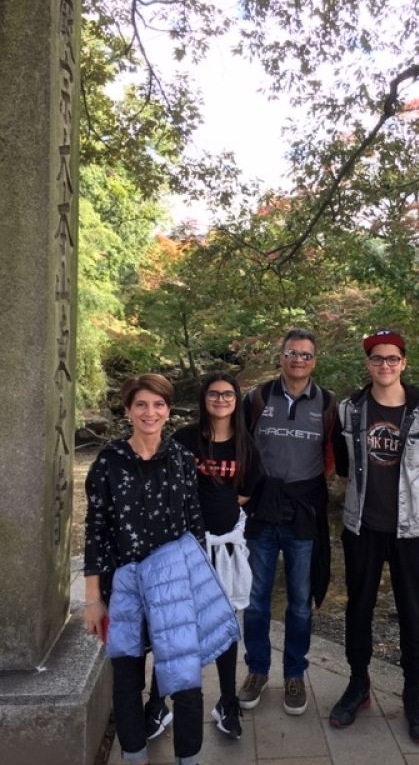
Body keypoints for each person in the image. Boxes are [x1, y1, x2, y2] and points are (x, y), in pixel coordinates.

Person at [83, 373, 238, 765]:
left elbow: (193, 524)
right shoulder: (109, 462)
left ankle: (189, 758)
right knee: (126, 676)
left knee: (186, 680)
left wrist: (203, 584)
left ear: (168, 411)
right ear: (129, 410)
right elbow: (96, 530)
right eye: (141, 405)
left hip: (174, 581)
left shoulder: (182, 459)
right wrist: (92, 599)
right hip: (125, 582)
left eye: (158, 405)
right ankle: (133, 753)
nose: (150, 413)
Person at [329, 329, 419, 744]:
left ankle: (413, 691)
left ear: (404, 362)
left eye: (392, 358)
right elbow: (344, 467)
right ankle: (357, 684)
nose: (385, 365)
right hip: (362, 526)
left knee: (414, 611)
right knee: (358, 608)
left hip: (413, 530)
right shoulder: (349, 411)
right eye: (377, 359)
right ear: (368, 363)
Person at [238, 328, 336, 715]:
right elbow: (239, 444)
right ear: (281, 357)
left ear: (315, 361)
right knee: (256, 600)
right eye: (292, 353)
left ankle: (295, 673)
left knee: (299, 602)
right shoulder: (258, 398)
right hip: (261, 509)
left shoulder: (327, 403)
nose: (298, 360)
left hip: (304, 511)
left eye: (306, 355)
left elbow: (336, 453)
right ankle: (257, 670)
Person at [172, 371, 262, 739]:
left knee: (225, 626)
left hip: (224, 546)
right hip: (183, 546)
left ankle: (227, 701)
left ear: (236, 399)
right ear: (203, 398)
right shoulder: (184, 439)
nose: (221, 399)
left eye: (228, 394)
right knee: (177, 627)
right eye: (214, 393)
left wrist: (224, 506)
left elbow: (251, 490)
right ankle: (163, 701)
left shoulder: (245, 444)